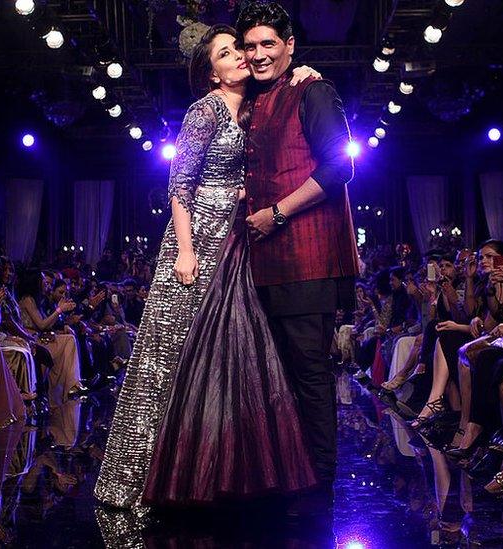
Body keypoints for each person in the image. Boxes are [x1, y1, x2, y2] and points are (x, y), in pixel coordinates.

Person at [94, 24, 320, 510]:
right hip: (196, 240)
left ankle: (218, 470)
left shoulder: (256, 108)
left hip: (237, 241)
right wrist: (185, 250)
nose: (240, 56)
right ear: (210, 71)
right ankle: (141, 476)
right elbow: (180, 185)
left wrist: (304, 73)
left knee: (227, 355)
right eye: (226, 53)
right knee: (172, 355)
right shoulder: (206, 109)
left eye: (239, 48)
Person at [237, 1, 359, 516]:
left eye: (270, 44)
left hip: (307, 258)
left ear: (290, 46)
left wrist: (277, 213)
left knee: (308, 374)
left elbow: (338, 168)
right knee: (281, 374)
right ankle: (295, 477)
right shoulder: (258, 100)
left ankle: (320, 488)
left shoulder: (314, 91)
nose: (260, 54)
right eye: (251, 46)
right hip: (267, 263)